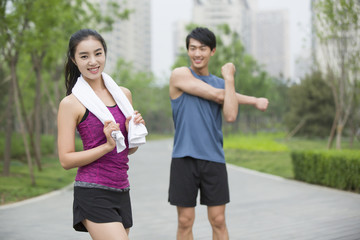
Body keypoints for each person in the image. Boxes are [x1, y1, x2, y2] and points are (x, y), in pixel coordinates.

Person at [168, 27, 269, 240]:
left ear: (212, 51)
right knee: (185, 221)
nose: (197, 53)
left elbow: (230, 115)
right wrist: (252, 100)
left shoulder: (224, 85)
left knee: (219, 220)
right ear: (188, 51)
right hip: (183, 159)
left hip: (213, 159)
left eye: (202, 48)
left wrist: (229, 79)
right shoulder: (180, 75)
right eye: (192, 48)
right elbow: (216, 94)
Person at [57, 29, 146, 240]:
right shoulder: (71, 103)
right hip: (93, 191)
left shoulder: (123, 95)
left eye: (98, 53)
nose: (92, 61)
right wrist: (106, 146)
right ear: (73, 59)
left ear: (105, 53)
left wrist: (134, 130)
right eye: (84, 56)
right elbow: (66, 160)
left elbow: (127, 150)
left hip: (122, 188)